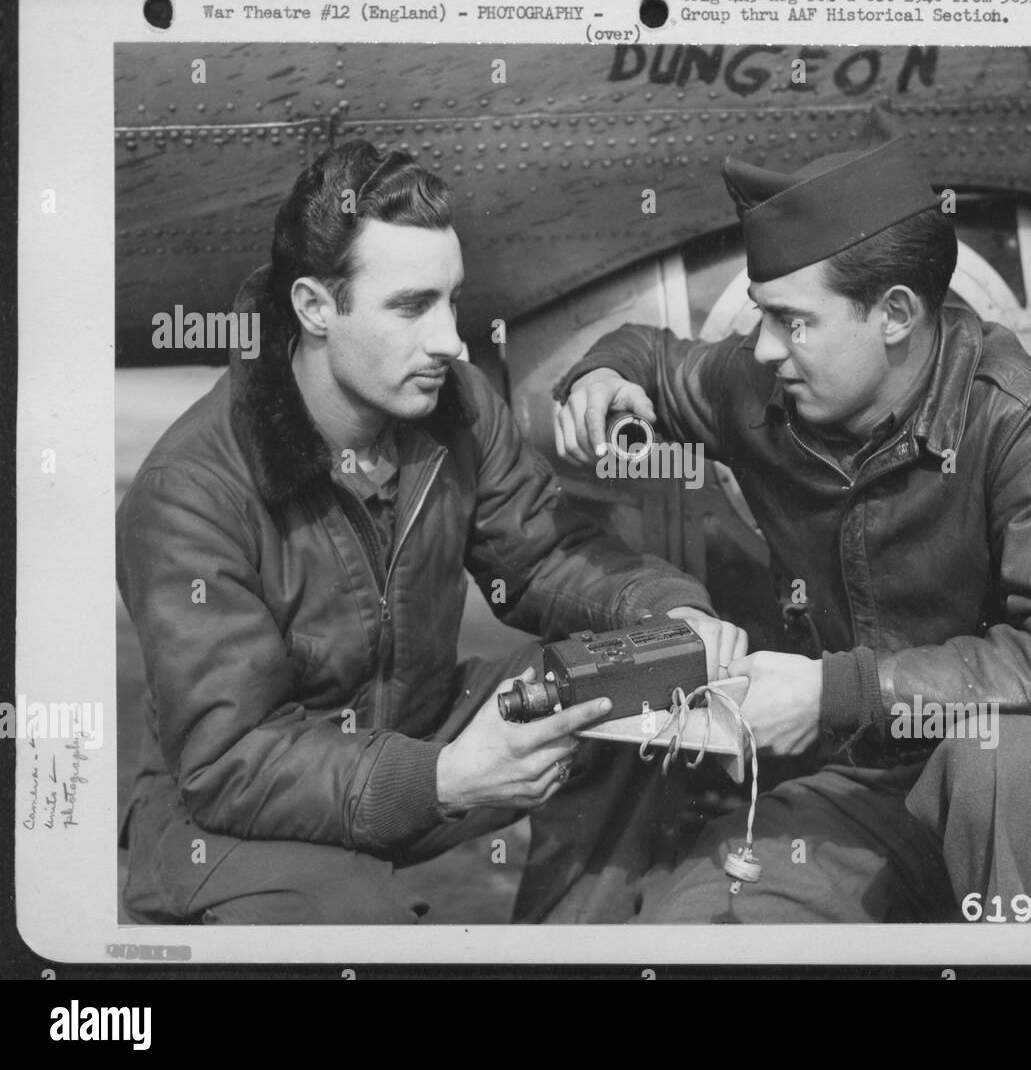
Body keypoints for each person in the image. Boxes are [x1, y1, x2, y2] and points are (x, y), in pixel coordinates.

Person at [116, 139, 744, 925]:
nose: (450, 338)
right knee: (363, 930)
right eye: (412, 306)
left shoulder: (456, 402)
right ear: (314, 308)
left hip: (420, 737)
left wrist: (663, 611)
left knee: (634, 694)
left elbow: (543, 555)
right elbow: (230, 760)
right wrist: (444, 778)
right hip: (237, 813)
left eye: (452, 300)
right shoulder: (191, 491)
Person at [537, 131, 1031, 923]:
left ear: (895, 313)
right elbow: (652, 354)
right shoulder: (761, 389)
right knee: (694, 927)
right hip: (868, 787)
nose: (764, 348)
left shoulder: (1014, 418)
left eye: (793, 322)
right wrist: (604, 373)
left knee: (997, 763)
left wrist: (838, 691)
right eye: (761, 316)